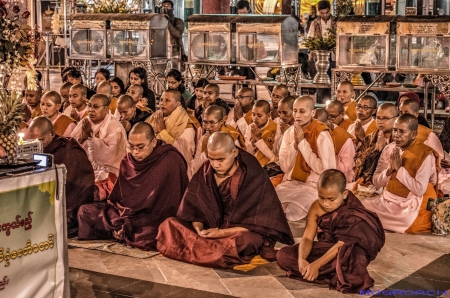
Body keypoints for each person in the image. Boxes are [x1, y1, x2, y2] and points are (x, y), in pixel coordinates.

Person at [156, 132, 294, 268]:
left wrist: (221, 233)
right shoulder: (206, 170)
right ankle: (208, 251)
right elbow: (194, 208)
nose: (215, 165)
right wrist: (199, 229)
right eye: (211, 159)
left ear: (234, 152)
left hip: (236, 232)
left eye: (220, 160)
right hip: (209, 229)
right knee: (168, 225)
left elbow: (258, 222)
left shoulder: (251, 172)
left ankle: (200, 249)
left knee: (244, 241)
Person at [78, 122, 188, 250]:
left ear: (153, 142)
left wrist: (129, 223)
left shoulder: (171, 160)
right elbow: (120, 200)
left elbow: (171, 207)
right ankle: (120, 232)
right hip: (127, 215)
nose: (135, 152)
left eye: (140, 147)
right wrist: (124, 221)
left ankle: (121, 232)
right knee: (85, 212)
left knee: (161, 232)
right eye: (131, 146)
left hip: (152, 219)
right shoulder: (127, 161)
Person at [276, 169, 385, 293]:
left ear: (344, 194)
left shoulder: (352, 210)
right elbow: (307, 238)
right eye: (321, 197)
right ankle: (334, 272)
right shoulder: (316, 207)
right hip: (327, 248)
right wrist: (302, 259)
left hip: (348, 250)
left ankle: (323, 271)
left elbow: (342, 244)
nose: (325, 203)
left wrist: (316, 265)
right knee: (283, 255)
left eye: (331, 199)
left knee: (353, 260)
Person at [362, 114, 438, 233]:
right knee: (362, 206)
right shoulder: (390, 149)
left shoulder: (424, 154)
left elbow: (419, 189)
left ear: (414, 134)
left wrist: (399, 169)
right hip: (387, 200)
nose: (396, 135)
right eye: (395, 130)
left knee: (407, 219)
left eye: (402, 131)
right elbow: (376, 182)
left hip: (410, 203)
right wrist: (389, 171)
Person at [28, 117, 94, 238]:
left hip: (67, 203)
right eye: (33, 142)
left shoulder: (69, 149)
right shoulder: (32, 152)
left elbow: (77, 181)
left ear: (52, 133)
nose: (37, 145)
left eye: (40, 140)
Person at [276, 96, 336, 221]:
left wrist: (303, 144)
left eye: (302, 111)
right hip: (290, 184)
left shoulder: (321, 134)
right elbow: (285, 167)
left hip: (313, 186)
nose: (297, 115)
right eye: (295, 110)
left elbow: (326, 171)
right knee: (270, 202)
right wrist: (295, 145)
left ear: (312, 113)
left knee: (295, 208)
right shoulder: (289, 133)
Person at [70, 94, 127, 201]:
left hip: (108, 173)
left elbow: (110, 157)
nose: (91, 110)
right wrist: (83, 139)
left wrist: (91, 138)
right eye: (89, 106)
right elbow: (72, 144)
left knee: (89, 192)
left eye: (96, 107)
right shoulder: (85, 121)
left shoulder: (115, 127)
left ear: (106, 109)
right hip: (85, 169)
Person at [145, 90, 196, 168]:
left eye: (167, 100)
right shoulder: (155, 117)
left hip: (174, 167)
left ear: (178, 104)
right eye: (161, 100)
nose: (162, 103)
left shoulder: (186, 125)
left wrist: (162, 132)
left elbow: (183, 153)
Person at [191, 105, 246, 176]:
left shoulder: (232, 138)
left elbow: (239, 165)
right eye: (205, 122)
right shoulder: (204, 139)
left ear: (222, 121)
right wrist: (207, 151)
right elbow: (195, 167)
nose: (207, 127)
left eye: (212, 123)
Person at [353, 103, 398, 185]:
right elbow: (358, 163)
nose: (380, 122)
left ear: (396, 119)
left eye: (385, 118)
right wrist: (374, 152)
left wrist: (383, 151)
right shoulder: (370, 138)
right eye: (378, 118)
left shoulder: (400, 140)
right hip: (368, 183)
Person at [314, 109, 355, 183]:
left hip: (339, 180)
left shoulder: (343, 139)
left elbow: (347, 168)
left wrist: (329, 158)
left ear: (329, 121)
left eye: (318, 126)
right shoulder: (312, 134)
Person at [245, 100, 278, 166]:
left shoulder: (275, 128)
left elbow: (274, 158)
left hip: (269, 165)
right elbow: (248, 153)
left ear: (268, 115)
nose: (255, 118)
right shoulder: (250, 127)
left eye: (259, 116)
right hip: (253, 163)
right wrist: (253, 143)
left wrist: (259, 140)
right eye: (253, 114)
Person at [161, 1, 185, 70]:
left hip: (175, 52)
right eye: (164, 6)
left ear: (172, 8)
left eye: (168, 6)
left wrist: (167, 21)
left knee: (176, 73)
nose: (166, 8)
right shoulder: (159, 21)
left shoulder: (178, 21)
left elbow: (178, 34)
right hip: (162, 53)